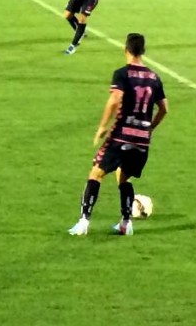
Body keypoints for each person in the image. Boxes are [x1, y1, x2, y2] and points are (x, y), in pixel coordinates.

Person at [68, 33, 169, 236]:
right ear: (143, 51)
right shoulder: (154, 77)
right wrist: (149, 129)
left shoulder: (122, 74)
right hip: (142, 140)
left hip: (121, 134)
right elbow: (164, 108)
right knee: (123, 177)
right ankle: (125, 223)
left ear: (126, 50)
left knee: (96, 173)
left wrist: (102, 126)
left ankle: (83, 222)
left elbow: (115, 100)